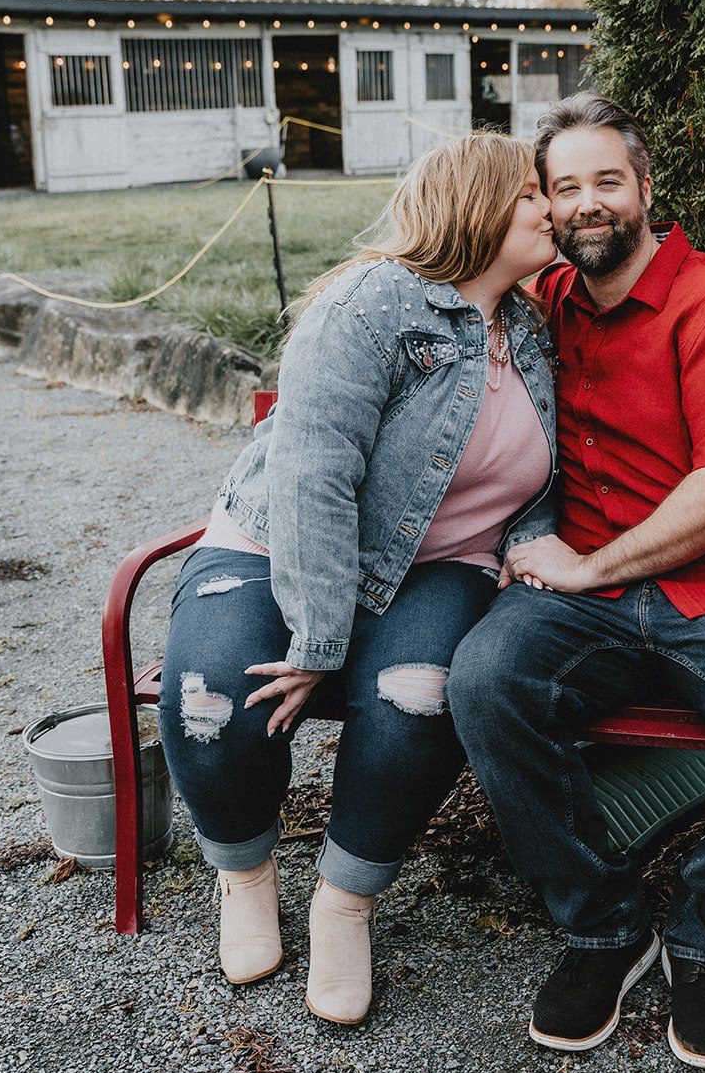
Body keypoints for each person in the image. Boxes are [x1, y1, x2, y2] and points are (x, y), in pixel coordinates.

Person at [446, 94, 705, 1070]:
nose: (587, 203)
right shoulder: (543, 306)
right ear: (543, 208)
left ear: (645, 188)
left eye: (606, 180)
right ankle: (602, 924)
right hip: (587, 599)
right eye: (565, 187)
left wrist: (587, 564)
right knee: (483, 682)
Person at [158, 133, 558, 1025]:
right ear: (476, 206)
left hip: (442, 565)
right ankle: (247, 875)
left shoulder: (534, 331)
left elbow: (542, 471)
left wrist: (534, 543)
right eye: (529, 192)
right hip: (276, 548)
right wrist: (317, 635)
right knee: (212, 695)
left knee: (420, 695)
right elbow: (311, 473)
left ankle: (344, 902)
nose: (548, 207)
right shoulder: (374, 304)